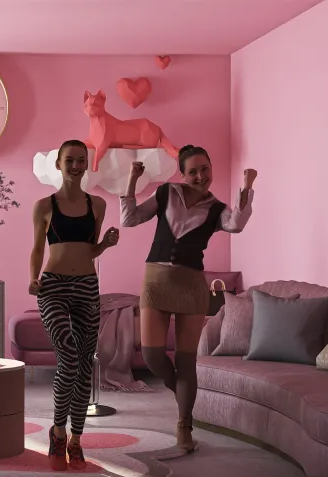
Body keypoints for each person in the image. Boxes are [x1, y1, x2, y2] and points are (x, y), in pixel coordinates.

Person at [120, 144, 257, 452]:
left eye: (205, 169)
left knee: (186, 361)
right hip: (156, 281)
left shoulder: (217, 208)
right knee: (153, 356)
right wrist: (131, 181)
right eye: (192, 171)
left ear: (211, 168)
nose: (200, 176)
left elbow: (235, 224)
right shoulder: (165, 193)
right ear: (182, 175)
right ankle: (179, 387)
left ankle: (185, 424)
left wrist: (247, 187)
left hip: (192, 285)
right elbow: (129, 219)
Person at [28, 139, 120, 471]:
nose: (76, 166)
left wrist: (105, 244)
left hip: (86, 286)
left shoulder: (98, 204)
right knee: (68, 356)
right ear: (59, 164)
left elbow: (90, 250)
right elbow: (38, 248)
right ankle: (57, 432)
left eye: (81, 160)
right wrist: (33, 277)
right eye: (70, 160)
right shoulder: (44, 205)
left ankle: (76, 440)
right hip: (52, 286)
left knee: (84, 365)